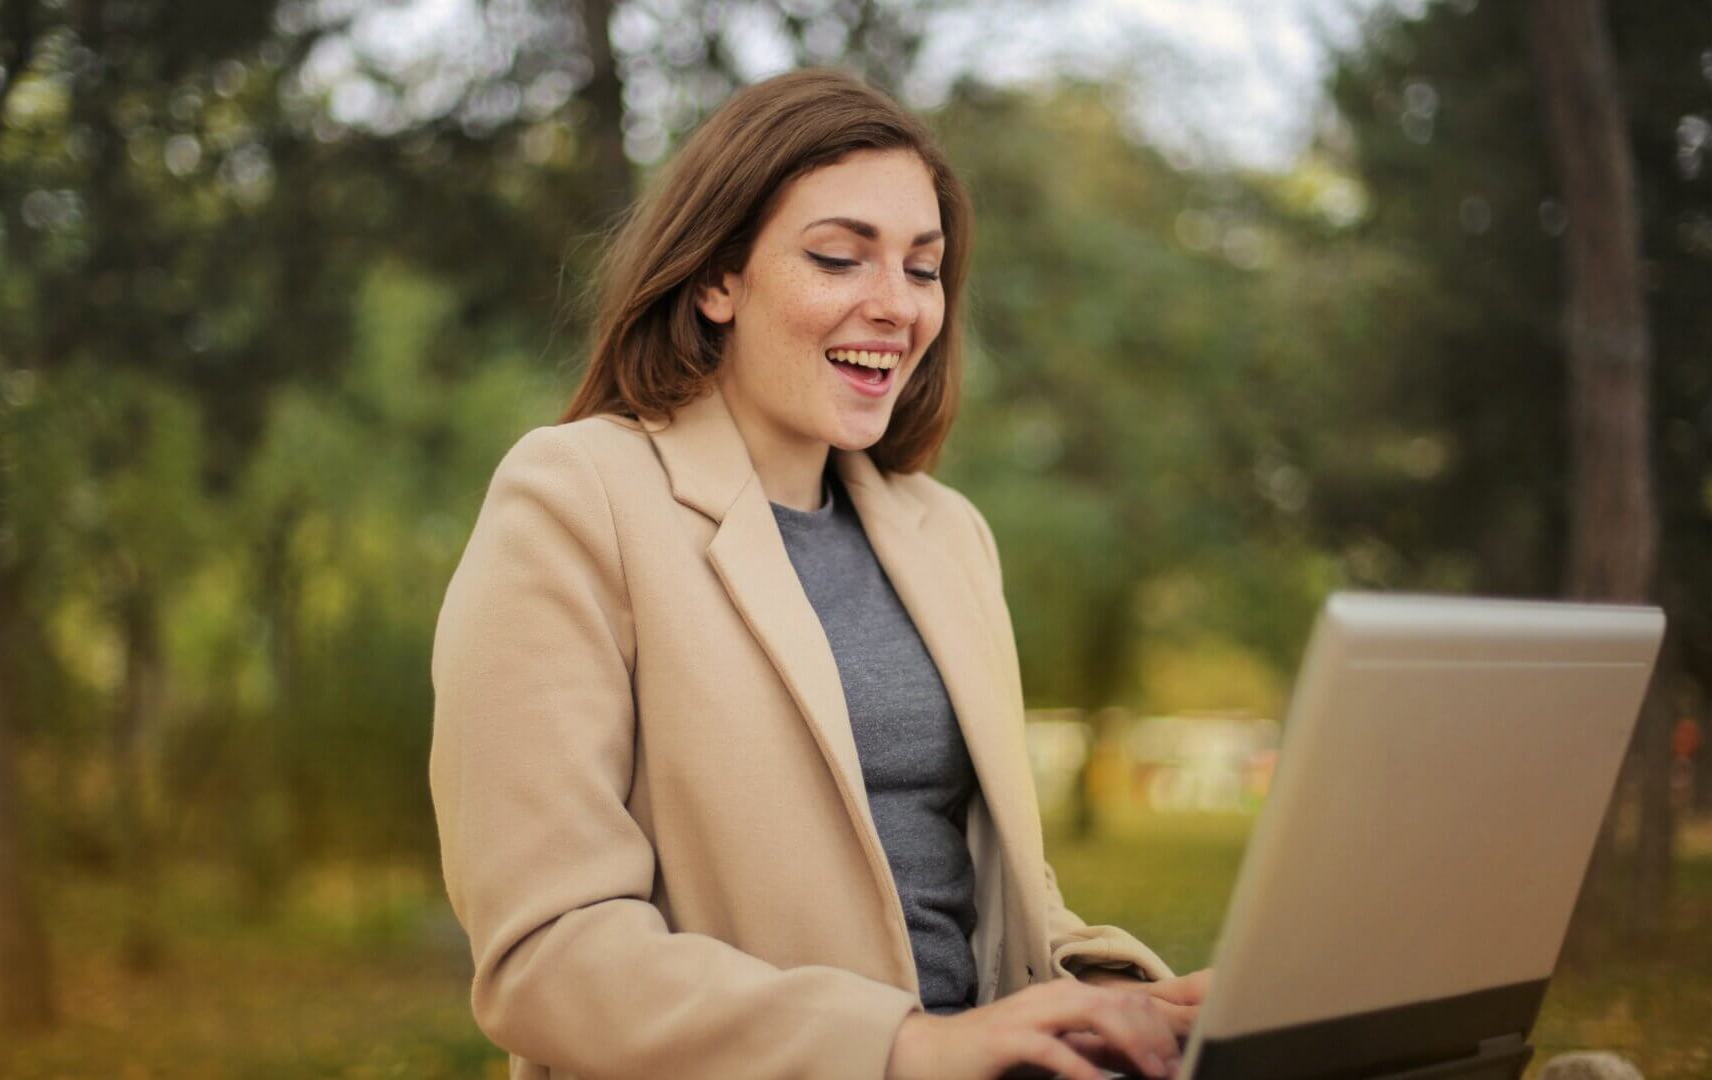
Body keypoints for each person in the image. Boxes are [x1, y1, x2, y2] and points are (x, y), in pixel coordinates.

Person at [428, 66, 1212, 1080]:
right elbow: (550, 955)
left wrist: (1113, 996)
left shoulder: (949, 536)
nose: (896, 307)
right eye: (841, 258)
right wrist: (902, 1047)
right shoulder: (577, 496)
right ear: (719, 279)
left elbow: (995, 899)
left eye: (923, 269)